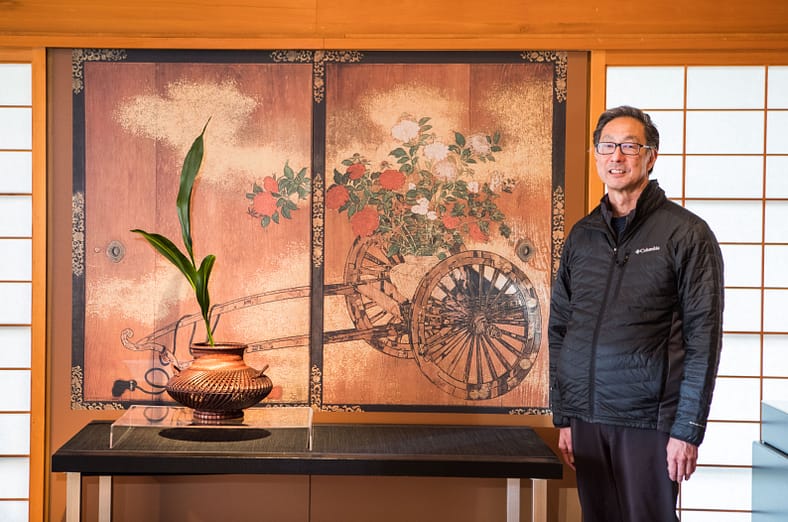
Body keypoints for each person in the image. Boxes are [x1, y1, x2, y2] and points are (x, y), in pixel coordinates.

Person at [548, 105, 724, 521]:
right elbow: (560, 328)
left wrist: (687, 430)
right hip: (587, 418)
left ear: (651, 156)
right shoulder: (582, 235)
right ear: (596, 156)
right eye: (607, 146)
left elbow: (703, 340)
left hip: (650, 420)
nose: (617, 156)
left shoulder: (686, 233)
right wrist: (565, 416)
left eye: (630, 146)